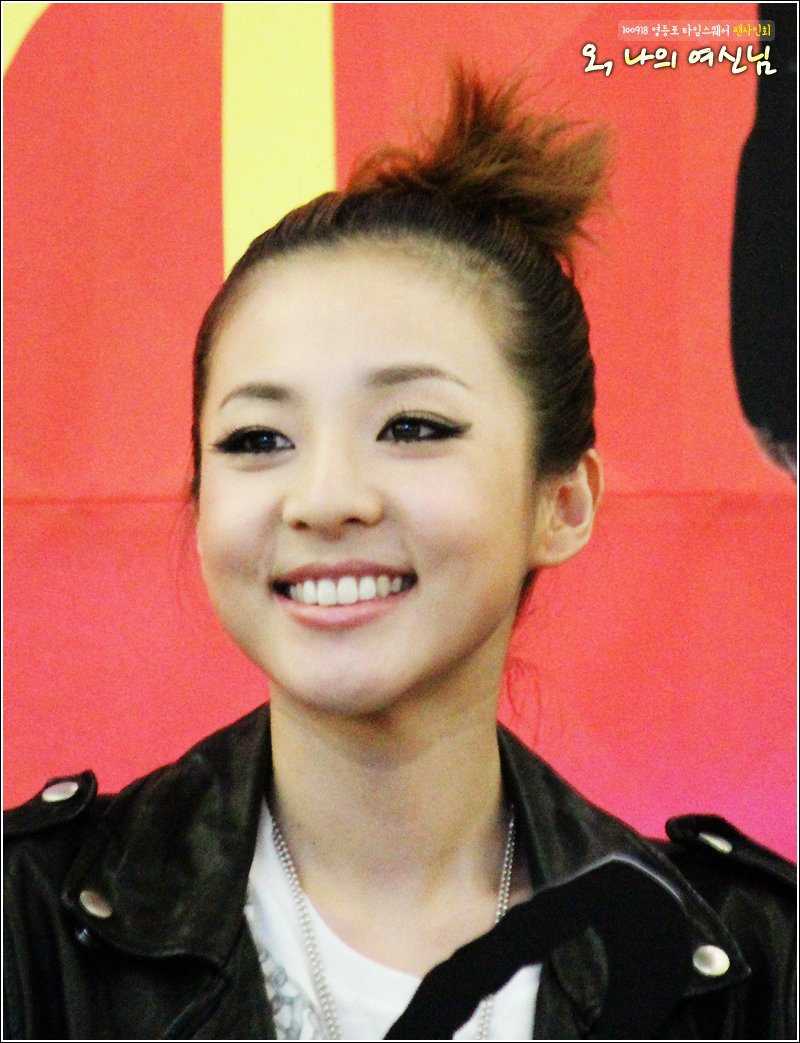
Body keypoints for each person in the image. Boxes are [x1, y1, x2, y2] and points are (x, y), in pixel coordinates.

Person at [4, 68, 795, 1041]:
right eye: (258, 438)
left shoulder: (752, 964)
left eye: (412, 426)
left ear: (561, 501)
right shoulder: (27, 924)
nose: (325, 498)